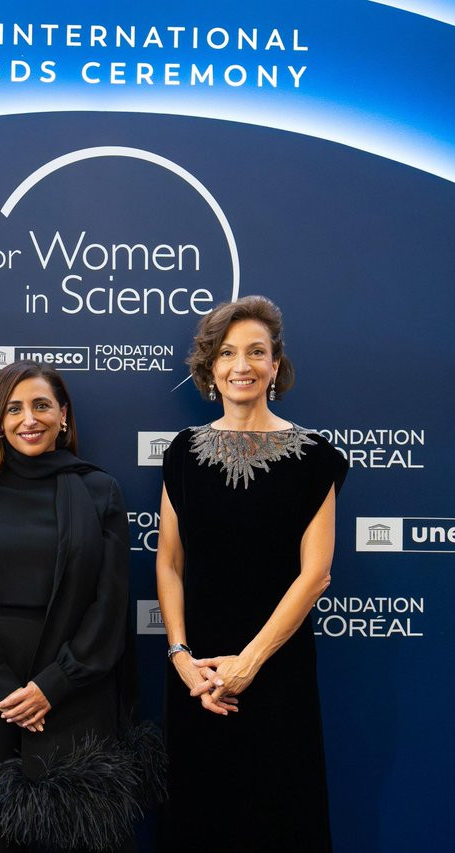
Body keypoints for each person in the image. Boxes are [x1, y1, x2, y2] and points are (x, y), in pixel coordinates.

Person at [0, 361, 157, 853]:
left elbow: (109, 605)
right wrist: (2, 688)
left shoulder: (99, 490)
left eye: (41, 405)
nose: (28, 419)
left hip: (74, 691)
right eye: (13, 409)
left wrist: (52, 686)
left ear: (63, 415)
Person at [156, 295, 348, 852]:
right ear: (210, 367)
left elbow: (315, 575)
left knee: (279, 817)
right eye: (227, 352)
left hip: (277, 669)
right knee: (200, 817)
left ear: (275, 364)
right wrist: (181, 656)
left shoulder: (315, 457)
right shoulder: (183, 452)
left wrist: (249, 662)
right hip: (198, 677)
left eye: (256, 352)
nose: (242, 365)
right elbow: (169, 562)